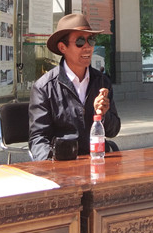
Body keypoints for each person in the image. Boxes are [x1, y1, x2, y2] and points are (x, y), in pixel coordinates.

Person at [29, 13, 121, 160]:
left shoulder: (102, 82)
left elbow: (113, 130)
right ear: (62, 47)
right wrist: (53, 162)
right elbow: (38, 139)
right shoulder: (44, 88)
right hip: (62, 164)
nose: (88, 47)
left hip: (96, 160)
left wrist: (104, 115)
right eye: (80, 41)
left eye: (91, 40)